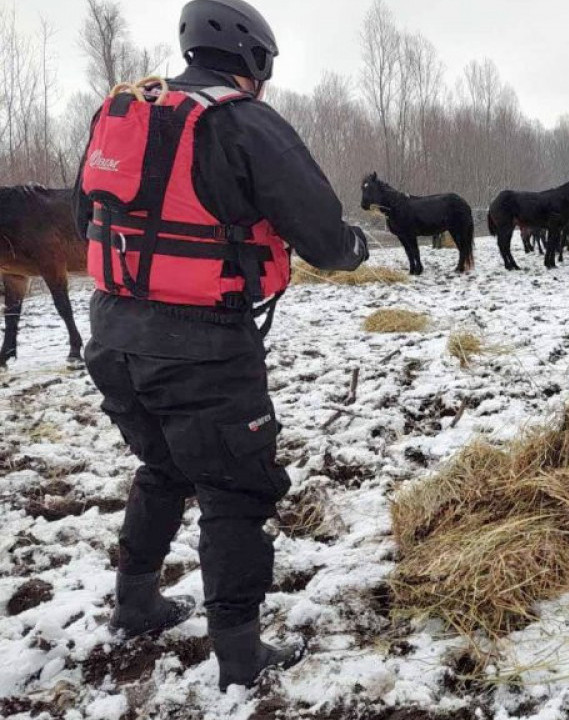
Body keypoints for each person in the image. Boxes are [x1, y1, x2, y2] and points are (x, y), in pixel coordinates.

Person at [75, 0, 369, 691]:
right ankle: (241, 657)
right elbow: (325, 239)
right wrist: (352, 247)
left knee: (164, 467)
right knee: (236, 487)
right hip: (201, 346)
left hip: (113, 334)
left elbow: (85, 213)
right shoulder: (242, 121)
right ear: (255, 63)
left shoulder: (125, 113)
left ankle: (137, 603)